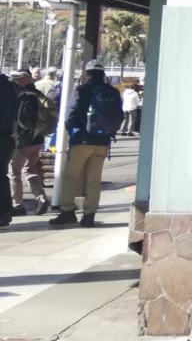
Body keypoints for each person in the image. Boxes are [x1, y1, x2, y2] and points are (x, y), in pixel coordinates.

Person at [50, 60, 123, 228]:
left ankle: (67, 211)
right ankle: (89, 215)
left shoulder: (81, 90)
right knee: (94, 180)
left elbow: (70, 115)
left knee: (70, 176)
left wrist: (73, 132)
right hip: (103, 142)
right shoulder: (112, 91)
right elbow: (119, 115)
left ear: (87, 73)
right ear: (103, 74)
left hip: (82, 140)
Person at [8, 69, 51, 215]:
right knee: (30, 169)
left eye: (17, 79)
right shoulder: (38, 94)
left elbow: (23, 120)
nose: (15, 81)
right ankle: (41, 198)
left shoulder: (24, 96)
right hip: (38, 140)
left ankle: (17, 205)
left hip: (24, 142)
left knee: (14, 172)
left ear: (24, 80)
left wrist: (17, 137)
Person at [0, 70, 17, 227]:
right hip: (8, 139)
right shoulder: (10, 86)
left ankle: (4, 213)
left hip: (3, 136)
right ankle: (5, 213)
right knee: (2, 176)